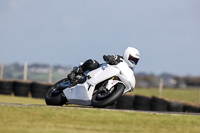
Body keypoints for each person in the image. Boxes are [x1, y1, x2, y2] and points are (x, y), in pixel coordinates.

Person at [67, 47, 140, 82]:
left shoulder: (129, 70)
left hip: (108, 79)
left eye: (135, 60)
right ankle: (75, 72)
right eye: (132, 59)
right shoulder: (119, 58)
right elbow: (106, 56)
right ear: (127, 55)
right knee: (92, 63)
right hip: (100, 70)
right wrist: (109, 58)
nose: (133, 61)